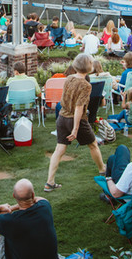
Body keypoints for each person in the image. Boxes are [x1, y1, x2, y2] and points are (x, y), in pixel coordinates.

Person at [45, 53, 105, 192]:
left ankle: (49, 182)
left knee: (59, 150)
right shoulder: (86, 85)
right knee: (93, 145)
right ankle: (103, 169)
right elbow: (79, 107)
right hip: (76, 119)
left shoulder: (69, 78)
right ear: (89, 67)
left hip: (62, 118)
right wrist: (75, 129)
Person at [0, 179, 58, 259]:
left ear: (14, 196)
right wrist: (11, 208)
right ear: (33, 194)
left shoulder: (10, 220)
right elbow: (38, 199)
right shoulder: (45, 206)